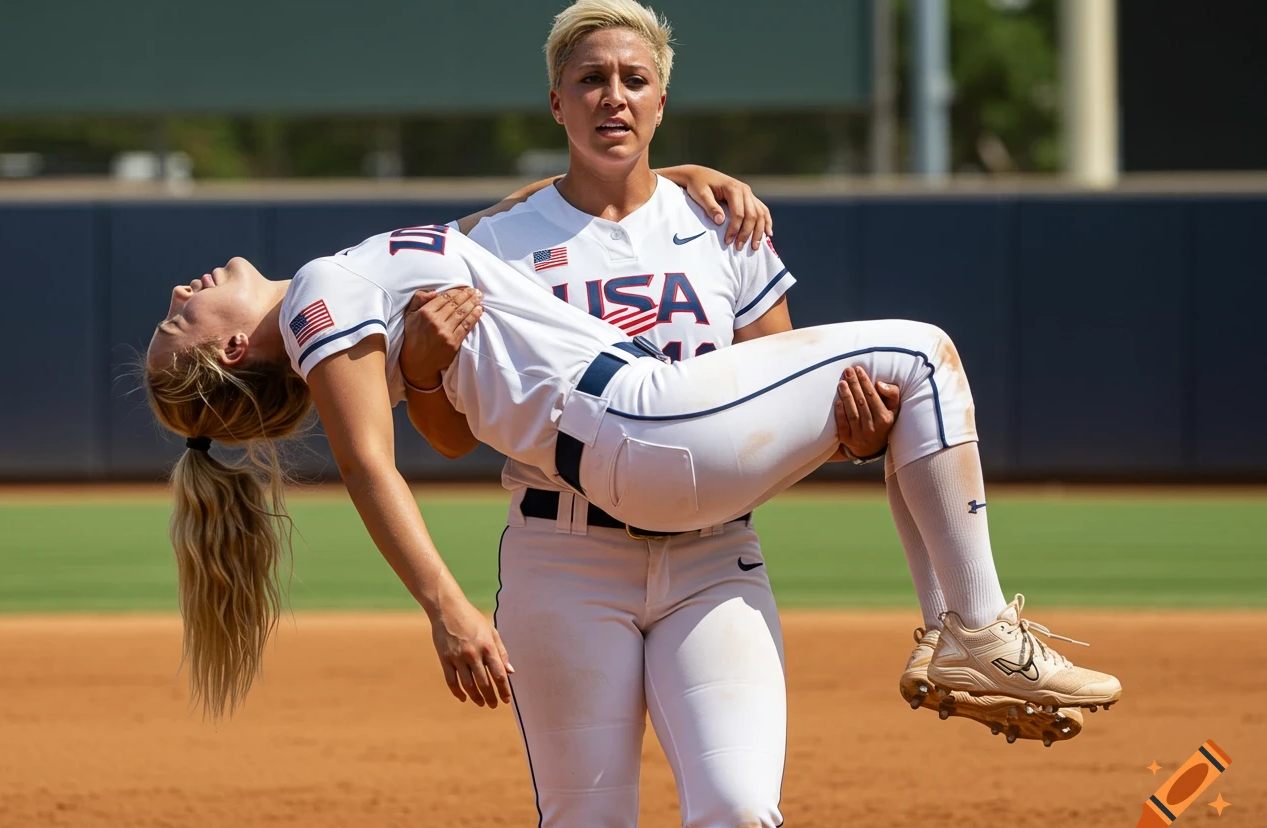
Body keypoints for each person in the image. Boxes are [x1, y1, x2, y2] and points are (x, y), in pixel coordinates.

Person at [143, 222, 1123, 742]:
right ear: (234, 348)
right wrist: (446, 609)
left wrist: (685, 181)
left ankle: (957, 634)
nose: (180, 291)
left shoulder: (336, 292)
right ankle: (974, 631)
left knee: (905, 382)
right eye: (177, 321)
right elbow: (368, 463)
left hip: (635, 436)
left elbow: (442, 393)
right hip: (635, 418)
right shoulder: (318, 299)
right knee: (923, 351)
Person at [393, 0, 901, 828]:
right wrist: (421, 367)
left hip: (714, 556)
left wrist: (848, 437)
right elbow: (445, 436)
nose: (612, 97)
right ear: (557, 102)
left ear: (662, 101)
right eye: (590, 80)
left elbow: (774, 403)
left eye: (635, 80)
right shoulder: (499, 246)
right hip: (564, 561)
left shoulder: (724, 226)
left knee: (743, 827)